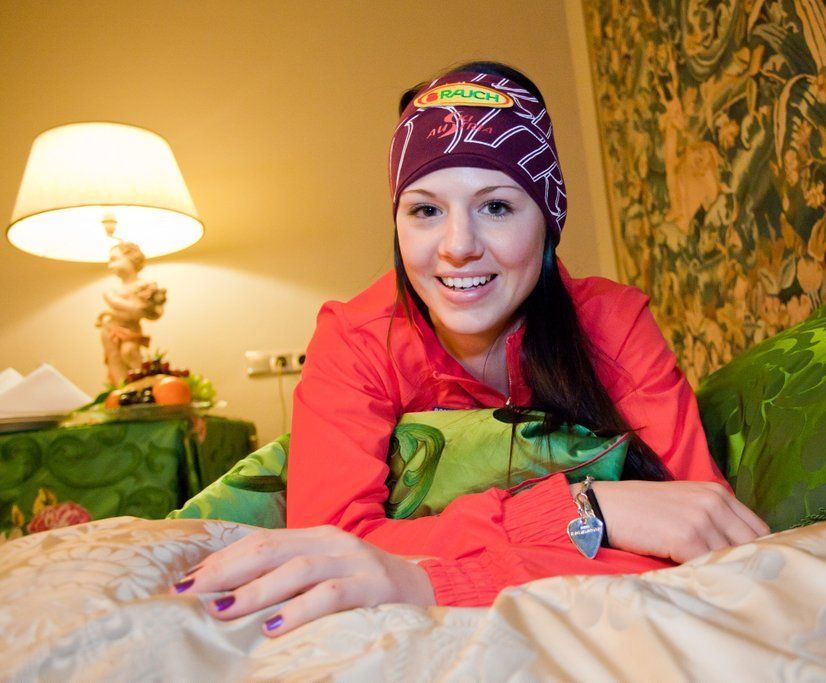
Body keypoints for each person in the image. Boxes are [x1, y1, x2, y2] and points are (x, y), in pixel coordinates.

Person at [171, 61, 769, 636]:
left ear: (547, 221)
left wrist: (424, 573)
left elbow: (695, 530)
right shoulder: (355, 339)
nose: (457, 246)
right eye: (426, 210)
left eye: (496, 206)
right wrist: (586, 510)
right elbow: (335, 550)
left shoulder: (613, 322)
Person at [97, 241, 166, 385]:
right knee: (114, 357)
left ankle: (145, 384)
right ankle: (122, 389)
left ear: (131, 258)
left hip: (130, 329)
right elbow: (118, 304)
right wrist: (137, 307)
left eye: (114, 259)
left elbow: (155, 314)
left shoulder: (145, 286)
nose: (110, 265)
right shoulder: (112, 291)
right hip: (110, 328)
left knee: (129, 352)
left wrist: (141, 308)